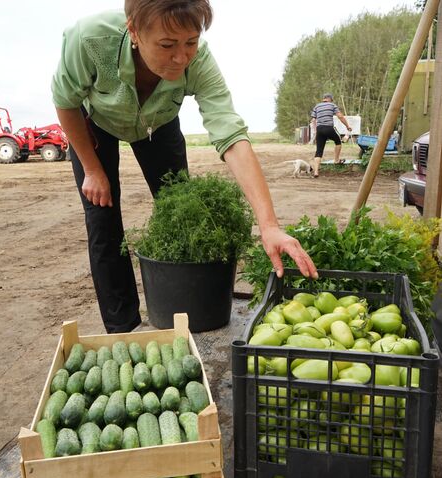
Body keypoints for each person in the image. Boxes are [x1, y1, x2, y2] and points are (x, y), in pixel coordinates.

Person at [52, 0, 318, 333]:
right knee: (102, 218)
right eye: (167, 45)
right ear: (133, 30)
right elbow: (65, 101)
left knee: (181, 211)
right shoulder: (89, 39)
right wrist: (92, 170)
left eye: (190, 42)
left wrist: (269, 225)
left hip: (158, 123)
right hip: (95, 124)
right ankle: (123, 329)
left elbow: (231, 135)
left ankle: (180, 317)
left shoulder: (199, 61)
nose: (181, 57)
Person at [310, 93, 352, 178]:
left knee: (319, 151)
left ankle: (316, 172)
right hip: (328, 128)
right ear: (330, 99)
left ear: (323, 98)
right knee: (338, 141)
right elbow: (340, 116)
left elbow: (313, 120)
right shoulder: (332, 105)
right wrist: (347, 126)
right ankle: (336, 160)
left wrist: (315, 131)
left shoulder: (317, 106)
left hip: (319, 129)